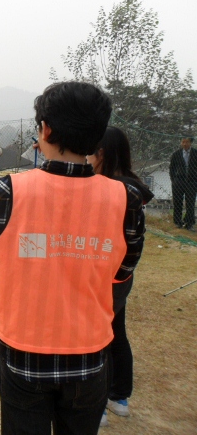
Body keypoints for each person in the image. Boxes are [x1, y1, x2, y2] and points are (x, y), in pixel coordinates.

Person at [0, 81, 145, 434]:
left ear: (45, 130)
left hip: (23, 353)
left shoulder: (8, 190)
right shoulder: (126, 198)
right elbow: (123, 270)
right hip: (91, 354)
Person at [87, 126, 154, 426]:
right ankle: (120, 397)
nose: (87, 158)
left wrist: (113, 275)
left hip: (103, 276)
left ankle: (99, 403)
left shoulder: (112, 189)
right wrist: (123, 274)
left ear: (101, 153)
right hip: (120, 276)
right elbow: (135, 242)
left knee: (97, 337)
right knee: (116, 332)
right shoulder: (132, 186)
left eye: (91, 152)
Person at [169, 137, 197, 231]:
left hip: (192, 181)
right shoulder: (176, 154)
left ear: (191, 143)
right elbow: (172, 168)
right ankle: (178, 222)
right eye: (183, 142)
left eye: (187, 142)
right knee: (177, 202)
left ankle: (189, 223)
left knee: (190, 203)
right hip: (178, 181)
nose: (185, 144)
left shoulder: (195, 153)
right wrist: (174, 180)